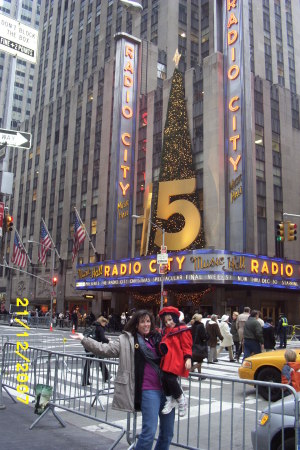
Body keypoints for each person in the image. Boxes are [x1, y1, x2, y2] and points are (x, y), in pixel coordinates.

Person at [70, 309, 175, 450]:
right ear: (136, 324)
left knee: (168, 433)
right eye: (142, 321)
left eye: (148, 321)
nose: (146, 324)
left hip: (167, 390)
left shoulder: (159, 337)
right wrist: (84, 340)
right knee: (149, 432)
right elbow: (105, 349)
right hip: (148, 390)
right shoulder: (126, 340)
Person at [158, 306, 192, 417]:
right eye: (166, 321)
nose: (168, 322)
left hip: (176, 359)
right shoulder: (165, 331)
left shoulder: (182, 329)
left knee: (170, 379)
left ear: (175, 319)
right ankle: (170, 399)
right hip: (167, 359)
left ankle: (181, 400)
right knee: (164, 377)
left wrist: (188, 358)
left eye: (170, 319)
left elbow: (187, 345)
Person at [82, 316, 110, 385]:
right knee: (101, 361)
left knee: (89, 363)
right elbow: (102, 338)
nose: (105, 324)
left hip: (89, 345)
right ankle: (106, 377)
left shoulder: (93, 325)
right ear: (102, 322)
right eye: (104, 323)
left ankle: (85, 380)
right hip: (95, 347)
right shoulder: (100, 328)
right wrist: (108, 340)